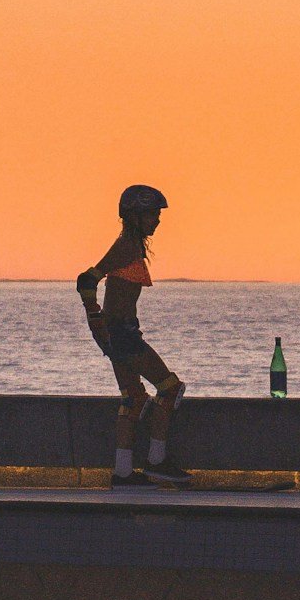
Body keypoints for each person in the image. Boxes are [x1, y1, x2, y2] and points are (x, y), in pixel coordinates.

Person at [77, 185, 187, 487]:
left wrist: (100, 328)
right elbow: (87, 279)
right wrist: (94, 315)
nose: (158, 221)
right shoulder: (126, 245)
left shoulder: (132, 245)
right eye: (152, 215)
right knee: (169, 388)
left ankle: (123, 472)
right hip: (122, 334)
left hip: (117, 333)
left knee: (134, 397)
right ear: (135, 216)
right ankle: (156, 462)